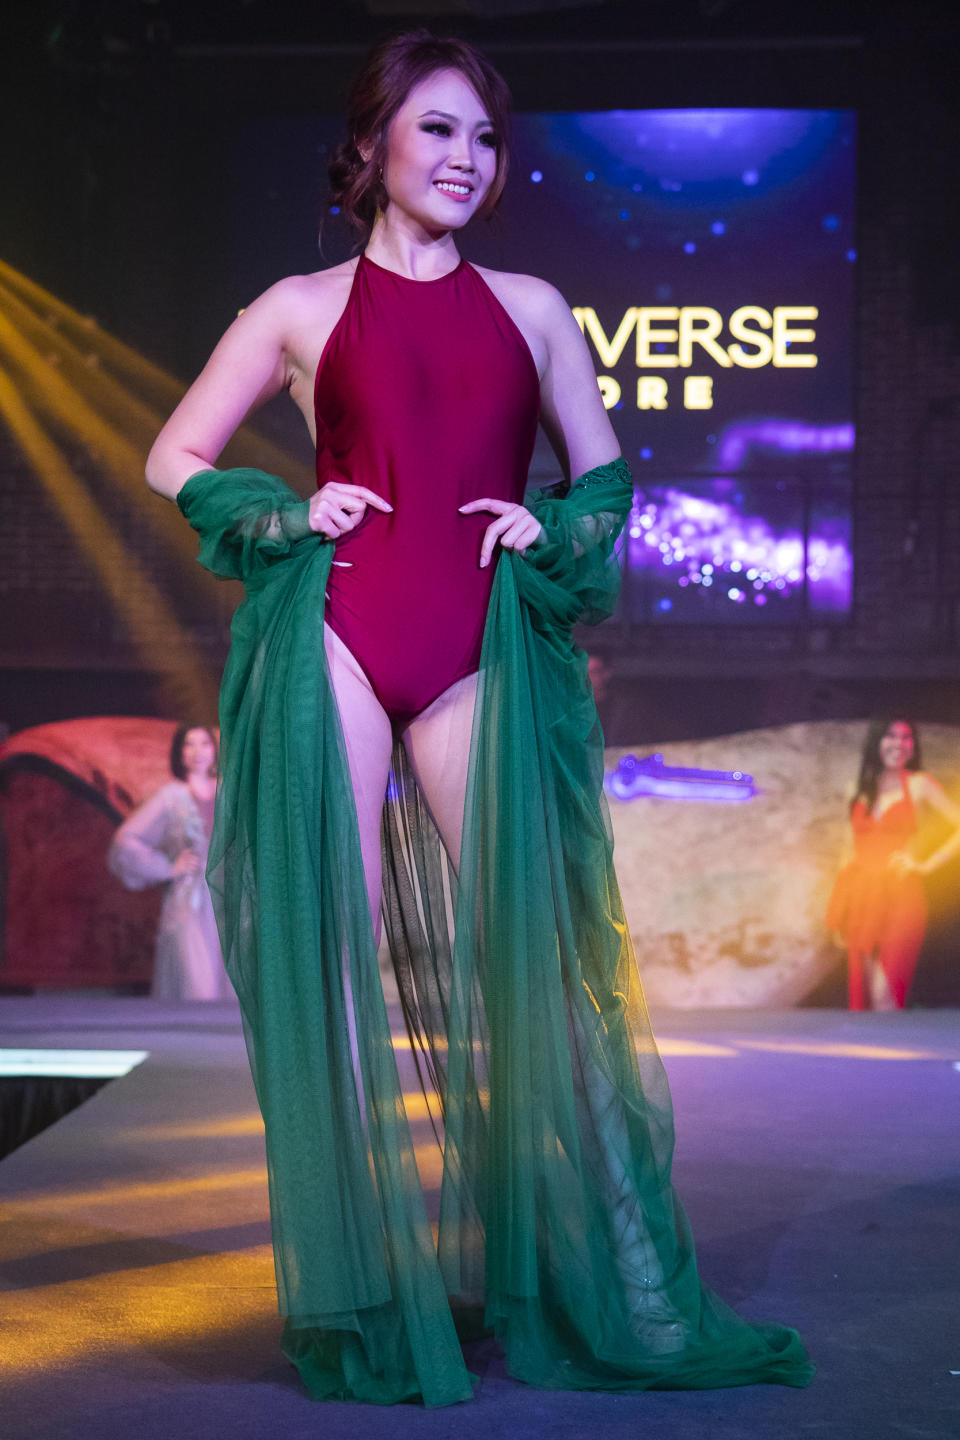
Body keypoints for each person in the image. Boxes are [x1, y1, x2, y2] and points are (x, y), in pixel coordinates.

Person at [144, 30, 812, 1405]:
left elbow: (611, 483)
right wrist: (281, 511)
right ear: (377, 142)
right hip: (336, 630)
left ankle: (632, 1285)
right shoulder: (298, 308)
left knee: (553, 976)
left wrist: (551, 517)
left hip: (474, 647)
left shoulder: (538, 306)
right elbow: (174, 455)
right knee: (327, 972)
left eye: (485, 140)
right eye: (438, 130)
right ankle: (360, 1295)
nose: (465, 159)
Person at [827, 717, 960, 1010]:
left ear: (913, 746)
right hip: (860, 896)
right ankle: (866, 1056)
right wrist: (839, 909)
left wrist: (928, 863)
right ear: (876, 742)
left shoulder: (920, 784)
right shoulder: (857, 789)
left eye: (906, 737)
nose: (899, 744)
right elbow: (847, 850)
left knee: (885, 995)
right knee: (862, 997)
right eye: (891, 736)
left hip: (901, 895)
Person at [108, 724, 231, 1001]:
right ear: (180, 752)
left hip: (230, 903)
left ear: (215, 750)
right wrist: (167, 867)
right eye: (189, 744)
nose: (197, 752)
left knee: (233, 987)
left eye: (205, 744)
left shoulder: (230, 794)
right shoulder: (171, 797)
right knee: (198, 987)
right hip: (189, 903)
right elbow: (126, 841)